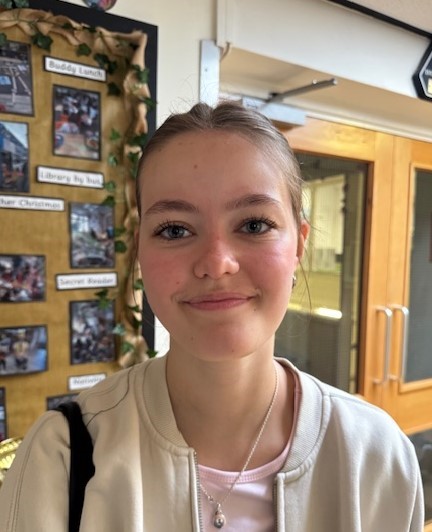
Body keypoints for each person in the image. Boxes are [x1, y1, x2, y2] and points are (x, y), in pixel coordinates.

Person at [0, 102, 424, 531]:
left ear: (299, 244)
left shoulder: (377, 456)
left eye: (254, 225)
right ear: (139, 250)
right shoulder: (62, 457)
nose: (217, 263)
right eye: (175, 229)